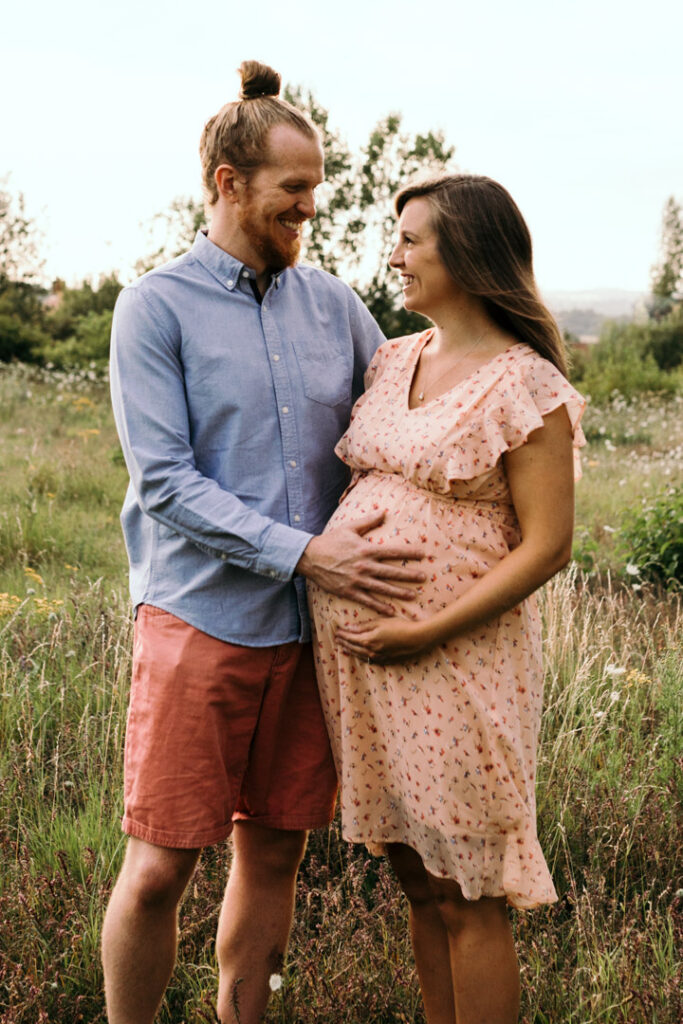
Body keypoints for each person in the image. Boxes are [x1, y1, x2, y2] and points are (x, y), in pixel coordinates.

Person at [102, 60, 425, 1024]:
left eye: (316, 192)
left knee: (275, 851)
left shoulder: (333, 305)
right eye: (294, 191)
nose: (309, 211)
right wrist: (305, 553)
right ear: (227, 184)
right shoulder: (152, 308)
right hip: (199, 621)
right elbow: (163, 483)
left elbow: (407, 409)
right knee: (160, 867)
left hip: (310, 635)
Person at [308, 174, 586, 1024]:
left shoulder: (524, 385)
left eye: (409, 239)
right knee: (417, 882)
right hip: (369, 670)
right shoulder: (394, 358)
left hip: (456, 659)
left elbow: (547, 546)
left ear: (465, 251)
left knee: (470, 893)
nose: (392, 254)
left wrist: (426, 627)